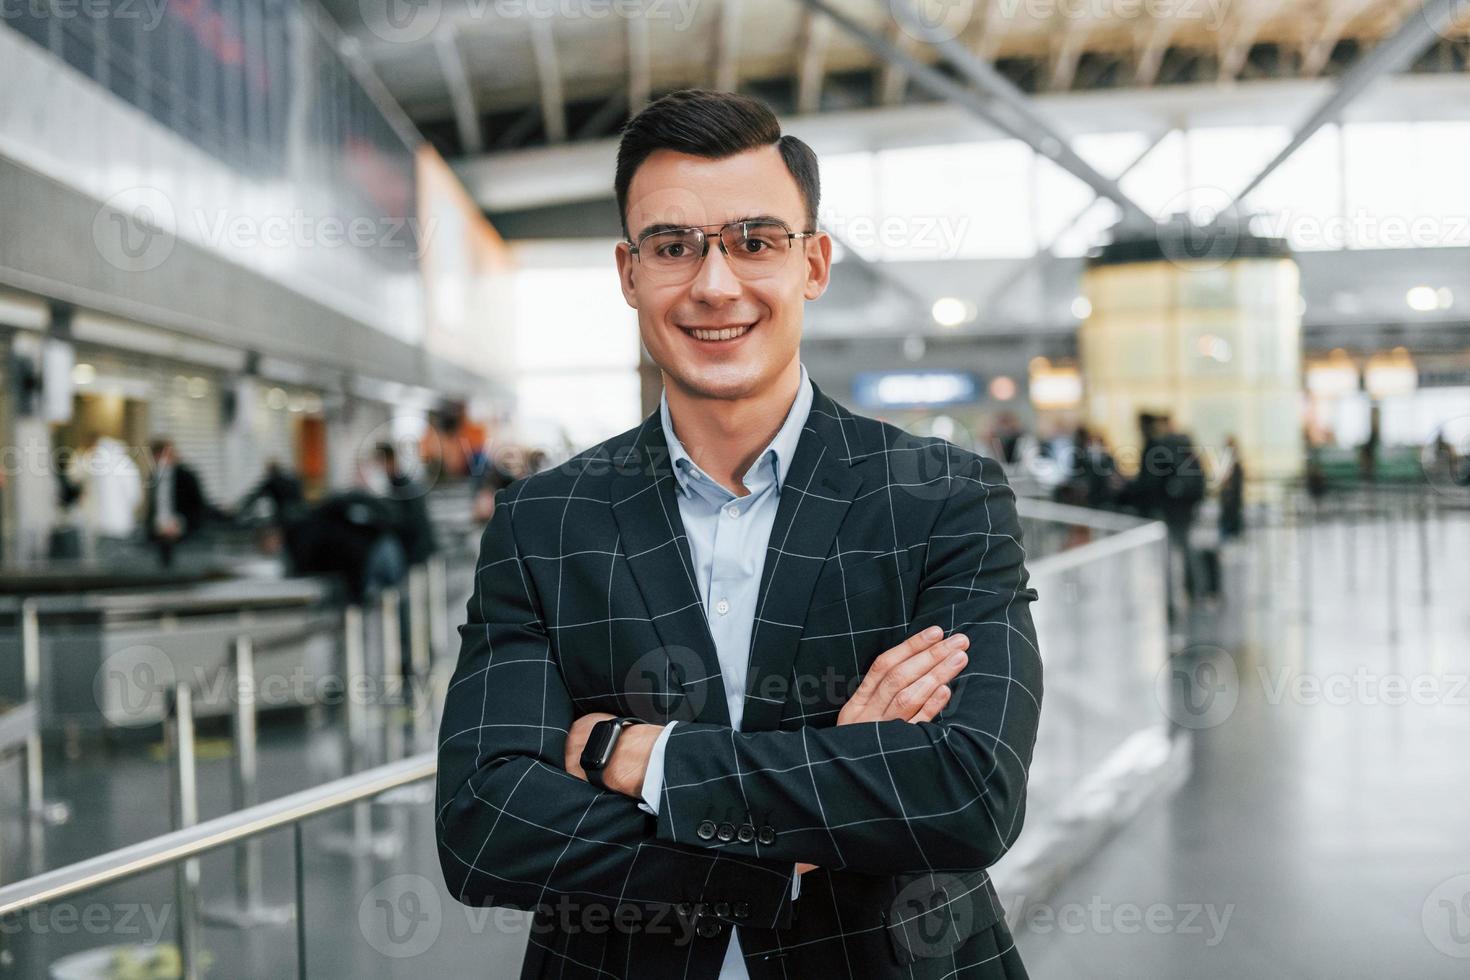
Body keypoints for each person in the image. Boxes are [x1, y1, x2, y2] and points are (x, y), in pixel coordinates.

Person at [436, 90, 1042, 980]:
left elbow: (968, 792)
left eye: (756, 241)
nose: (715, 285)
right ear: (628, 272)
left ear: (814, 263)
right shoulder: (547, 519)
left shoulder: (940, 496)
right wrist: (798, 830)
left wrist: (642, 758)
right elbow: (489, 827)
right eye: (673, 247)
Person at [1122, 413, 1206, 619]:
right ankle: (1196, 593)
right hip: (1184, 510)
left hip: (1166, 511)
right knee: (1186, 550)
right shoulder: (1185, 449)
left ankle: (1171, 602)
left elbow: (1149, 482)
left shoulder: (1159, 448)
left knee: (1168, 557)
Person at [65, 432, 143, 562]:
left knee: (102, 562)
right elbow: (135, 495)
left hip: (100, 525)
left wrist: (80, 453)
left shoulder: (92, 460)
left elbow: (72, 475)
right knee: (120, 562)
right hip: (122, 524)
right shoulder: (126, 463)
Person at [144, 439, 214, 567]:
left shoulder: (187, 477)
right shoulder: (153, 477)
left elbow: (198, 508)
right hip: (157, 532)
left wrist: (180, 524)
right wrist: (154, 525)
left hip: (182, 531)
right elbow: (152, 508)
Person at [1218, 435, 1245, 540]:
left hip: (1232, 503)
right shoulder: (1226, 463)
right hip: (1227, 502)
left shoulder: (1236, 464)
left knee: (1232, 529)